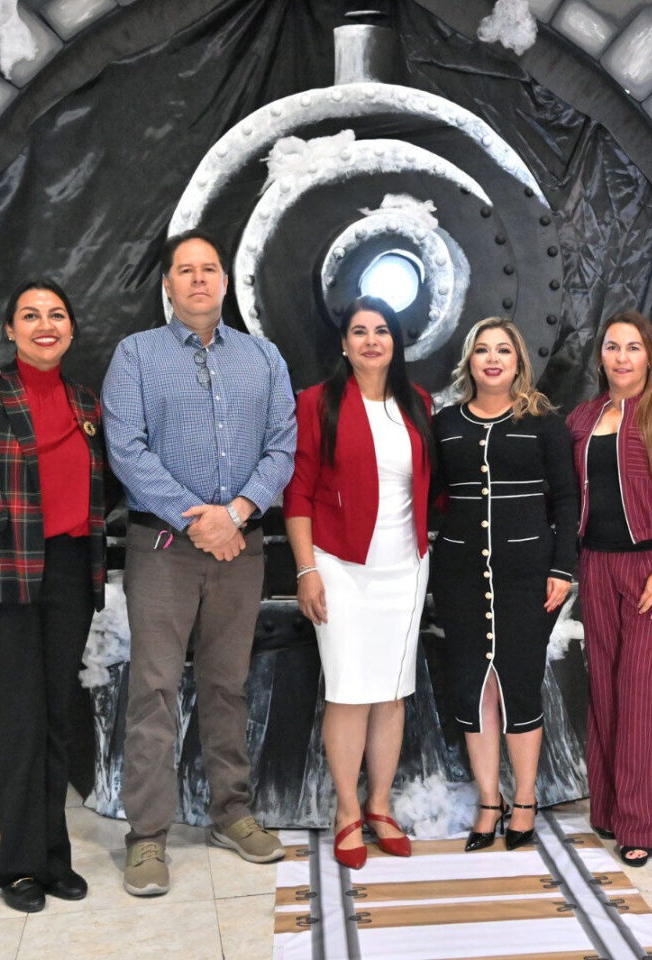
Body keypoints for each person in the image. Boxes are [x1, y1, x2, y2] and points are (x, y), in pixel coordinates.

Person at [101, 230, 296, 894]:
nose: (198, 280)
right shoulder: (136, 356)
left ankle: (231, 814)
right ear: (168, 285)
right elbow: (126, 450)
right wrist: (200, 517)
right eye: (185, 270)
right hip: (163, 549)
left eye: (208, 269)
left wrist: (235, 514)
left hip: (239, 548)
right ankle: (147, 838)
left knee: (227, 685)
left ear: (224, 280)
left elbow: (282, 449)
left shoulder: (263, 358)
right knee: (153, 689)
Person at [0, 279, 108, 913]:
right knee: (17, 722)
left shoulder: (86, 400)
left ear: (71, 328)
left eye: (57, 315)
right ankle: (18, 867)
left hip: (70, 572)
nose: (45, 325)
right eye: (30, 316)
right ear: (9, 330)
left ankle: (55, 858)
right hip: (4, 577)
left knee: (59, 717)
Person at [284, 296, 435, 870]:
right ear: (344, 344)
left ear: (396, 343)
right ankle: (347, 809)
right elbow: (297, 492)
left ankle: (379, 803)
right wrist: (306, 570)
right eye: (359, 331)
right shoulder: (316, 403)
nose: (371, 340)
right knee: (349, 690)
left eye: (382, 331)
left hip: (406, 568)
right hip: (340, 565)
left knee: (391, 691)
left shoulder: (417, 403)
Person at [565, 309, 652, 868]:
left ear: (649, 354)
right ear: (600, 356)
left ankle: (643, 824)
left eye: (632, 347)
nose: (622, 357)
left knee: (644, 695)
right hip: (597, 567)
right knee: (604, 688)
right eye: (612, 347)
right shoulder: (581, 419)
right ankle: (608, 809)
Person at [431, 318, 578, 852]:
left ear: (519, 362)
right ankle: (488, 802)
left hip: (527, 578)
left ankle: (526, 801)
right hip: (460, 575)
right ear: (469, 361)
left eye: (504, 350)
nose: (493, 359)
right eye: (482, 350)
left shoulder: (544, 424)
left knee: (518, 683)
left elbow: (566, 500)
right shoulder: (446, 424)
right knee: (474, 686)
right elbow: (432, 497)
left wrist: (562, 569)